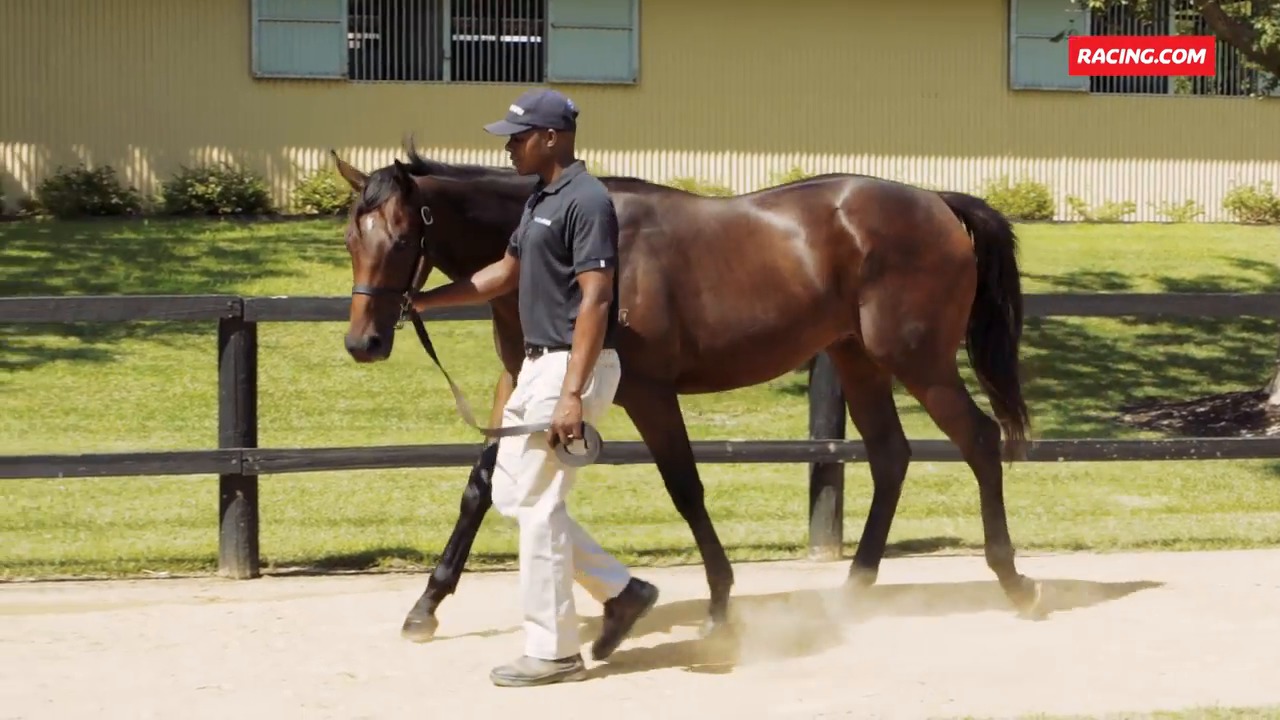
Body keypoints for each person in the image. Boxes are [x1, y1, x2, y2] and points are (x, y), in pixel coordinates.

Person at [409, 87, 660, 687]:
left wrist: (573, 393)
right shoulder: (541, 199)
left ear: (552, 138)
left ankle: (554, 653)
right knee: (511, 493)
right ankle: (621, 591)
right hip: (537, 365)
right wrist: (423, 301)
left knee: (540, 505)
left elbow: (597, 298)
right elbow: (505, 273)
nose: (510, 147)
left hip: (571, 366)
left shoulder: (588, 201)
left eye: (518, 138)